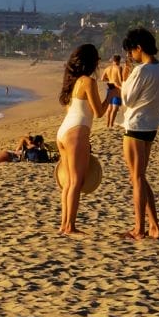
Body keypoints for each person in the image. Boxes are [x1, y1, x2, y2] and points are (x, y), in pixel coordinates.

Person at [120, 27, 159, 240]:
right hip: (150, 126)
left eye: (131, 51)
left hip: (136, 126)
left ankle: (139, 228)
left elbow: (127, 99)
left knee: (137, 178)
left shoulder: (142, 70)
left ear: (138, 48)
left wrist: (125, 79)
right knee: (140, 177)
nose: (130, 56)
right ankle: (154, 226)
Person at [56, 44, 105, 235]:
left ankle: (64, 224)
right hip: (76, 133)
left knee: (68, 182)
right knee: (76, 181)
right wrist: (111, 96)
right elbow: (99, 112)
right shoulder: (88, 82)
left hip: (63, 131)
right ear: (91, 62)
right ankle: (70, 226)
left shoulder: (72, 82)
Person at [101, 54, 124, 129]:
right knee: (115, 108)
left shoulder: (107, 68)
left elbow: (102, 79)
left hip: (110, 86)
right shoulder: (119, 68)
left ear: (113, 60)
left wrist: (110, 80)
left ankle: (107, 125)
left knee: (109, 107)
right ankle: (111, 124)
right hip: (116, 88)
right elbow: (120, 80)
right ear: (119, 60)